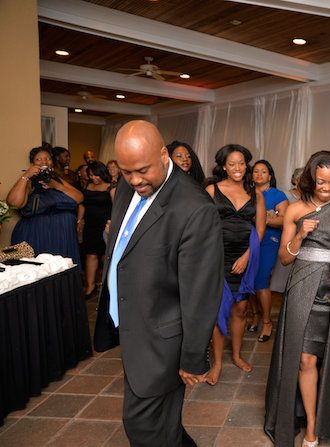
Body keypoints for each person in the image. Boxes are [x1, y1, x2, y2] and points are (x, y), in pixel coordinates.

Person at [92, 120, 224, 447]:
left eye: (142, 170)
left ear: (164, 155)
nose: (135, 180)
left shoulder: (195, 208)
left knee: (144, 426)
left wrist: (193, 357)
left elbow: (201, 292)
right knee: (164, 428)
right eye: (126, 172)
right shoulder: (128, 185)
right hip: (132, 326)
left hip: (162, 340)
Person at [264, 151, 330, 447]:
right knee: (305, 359)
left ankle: (329, 418)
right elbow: (285, 258)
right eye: (321, 181)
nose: (327, 187)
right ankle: (310, 425)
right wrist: (299, 235)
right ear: (311, 178)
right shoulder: (295, 210)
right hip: (301, 286)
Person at [205, 144, 266, 378]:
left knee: (240, 310)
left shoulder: (255, 193)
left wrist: (246, 257)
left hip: (245, 255)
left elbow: (260, 229)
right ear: (224, 166)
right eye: (232, 164)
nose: (238, 168)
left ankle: (237, 356)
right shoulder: (212, 190)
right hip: (216, 256)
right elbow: (201, 225)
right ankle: (218, 363)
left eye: (241, 163)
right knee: (219, 308)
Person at [7, 146, 83, 265]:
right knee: (40, 268)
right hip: (38, 232)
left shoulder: (57, 180)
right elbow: (14, 203)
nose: (44, 162)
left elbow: (79, 198)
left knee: (62, 268)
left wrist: (56, 185)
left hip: (63, 235)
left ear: (52, 162)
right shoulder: (29, 181)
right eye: (39, 159)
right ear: (32, 163)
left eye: (48, 158)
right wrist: (26, 175)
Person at [248, 160, 288, 342]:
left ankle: (267, 322)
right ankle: (255, 316)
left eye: (263, 171)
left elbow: (283, 220)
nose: (259, 174)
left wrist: (260, 218)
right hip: (247, 239)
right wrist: (267, 215)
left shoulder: (277, 195)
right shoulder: (246, 193)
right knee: (248, 280)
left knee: (261, 280)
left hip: (269, 241)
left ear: (270, 176)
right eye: (256, 171)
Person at [77, 161, 114, 299]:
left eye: (96, 175)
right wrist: (79, 220)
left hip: (105, 227)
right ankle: (90, 287)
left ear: (102, 173)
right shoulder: (88, 185)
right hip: (90, 226)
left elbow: (117, 208)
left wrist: (112, 225)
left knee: (106, 257)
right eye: (91, 175)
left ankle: (110, 288)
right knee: (90, 255)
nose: (94, 178)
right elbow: (82, 204)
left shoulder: (111, 187)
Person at [268, 167, 303, 294]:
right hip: (287, 237)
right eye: (302, 179)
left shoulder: (309, 198)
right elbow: (277, 215)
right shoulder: (286, 195)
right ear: (296, 181)